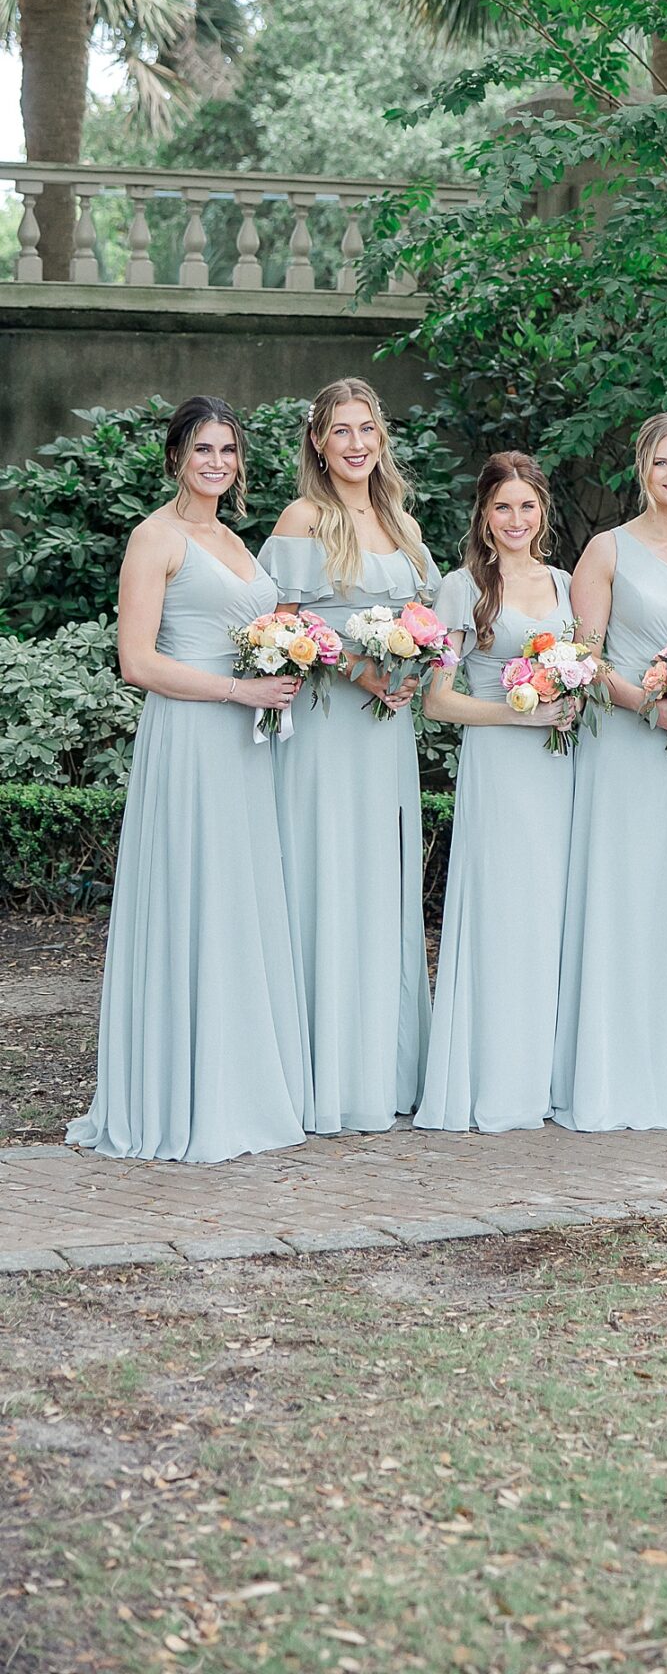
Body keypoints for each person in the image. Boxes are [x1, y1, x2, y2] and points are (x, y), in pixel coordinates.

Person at [69, 397, 308, 1162]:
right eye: (202, 449)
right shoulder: (155, 537)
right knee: (196, 895)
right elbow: (136, 661)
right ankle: (182, 1098)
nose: (216, 462)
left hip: (246, 741)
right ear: (176, 456)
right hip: (194, 733)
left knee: (238, 900)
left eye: (228, 451)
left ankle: (237, 1085)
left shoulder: (233, 538)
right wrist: (239, 690)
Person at [551, 413, 667, 1131]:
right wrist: (647, 704)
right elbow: (585, 658)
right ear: (642, 467)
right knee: (628, 897)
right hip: (629, 747)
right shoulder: (607, 549)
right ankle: (617, 1067)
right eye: (662, 462)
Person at [259, 378, 437, 1134]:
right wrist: (357, 668)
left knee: (380, 884)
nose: (356, 443)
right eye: (341, 431)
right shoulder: (305, 519)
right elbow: (280, 628)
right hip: (331, 727)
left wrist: (417, 664)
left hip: (387, 730)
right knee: (325, 875)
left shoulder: (401, 521)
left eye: (367, 428)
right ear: (318, 444)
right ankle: (320, 1076)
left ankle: (379, 1069)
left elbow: (427, 620)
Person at [417, 454, 578, 1131]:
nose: (516, 520)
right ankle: (492, 1077)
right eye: (502, 507)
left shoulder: (570, 586)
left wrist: (567, 702)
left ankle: (546, 1075)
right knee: (504, 914)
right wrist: (524, 712)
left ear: (543, 511)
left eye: (527, 506)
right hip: (500, 768)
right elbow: (436, 702)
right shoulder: (461, 589)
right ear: (484, 514)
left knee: (554, 917)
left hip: (561, 770)